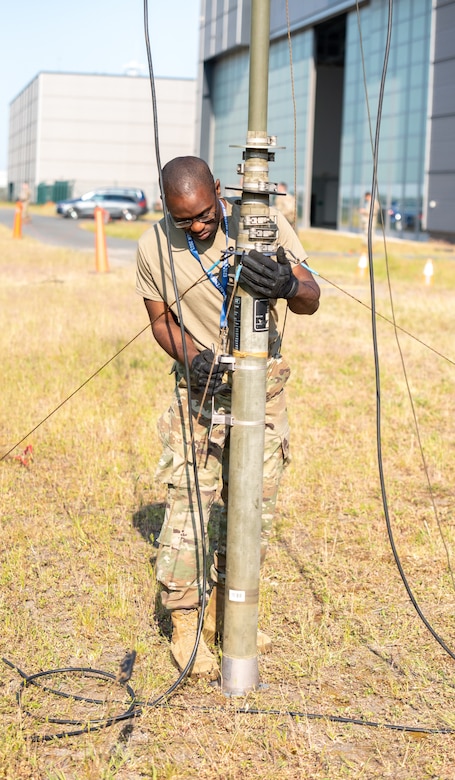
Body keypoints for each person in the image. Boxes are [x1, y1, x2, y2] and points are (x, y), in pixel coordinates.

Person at [136, 156, 320, 680]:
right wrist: (190, 359)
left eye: (204, 213)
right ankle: (187, 619)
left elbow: (312, 296)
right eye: (183, 220)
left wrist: (286, 283)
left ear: (219, 189)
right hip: (200, 392)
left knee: (251, 509)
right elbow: (160, 320)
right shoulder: (154, 245)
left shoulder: (261, 223)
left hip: (263, 390)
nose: (197, 226)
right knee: (189, 505)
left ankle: (231, 611)